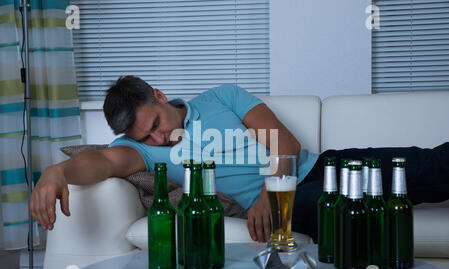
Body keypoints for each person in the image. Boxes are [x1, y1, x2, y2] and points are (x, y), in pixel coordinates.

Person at [30, 76, 449, 243]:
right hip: (297, 206)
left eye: (156, 124)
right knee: (337, 211)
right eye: (146, 136)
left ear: (159, 96)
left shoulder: (222, 98)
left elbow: (283, 142)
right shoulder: (141, 149)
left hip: (315, 168)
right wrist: (56, 171)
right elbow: (100, 163)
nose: (160, 138)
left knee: (425, 166)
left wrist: (271, 188)